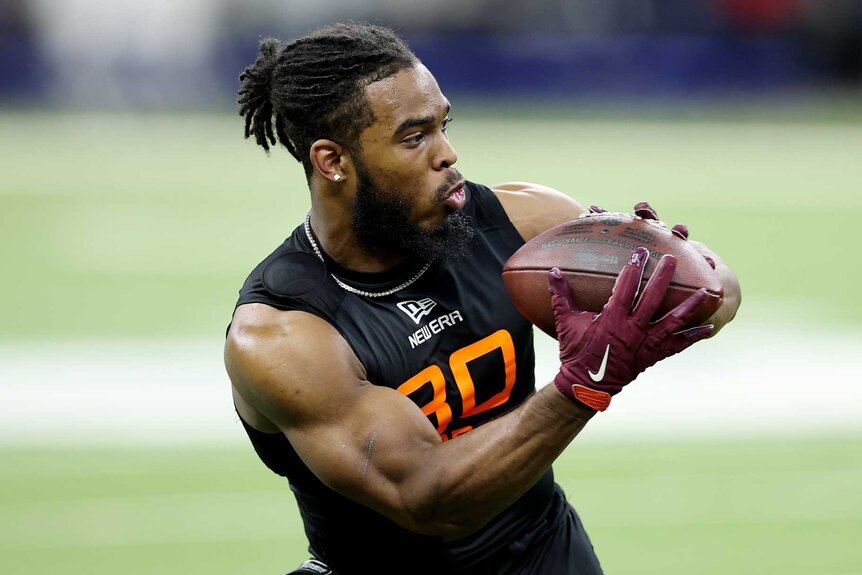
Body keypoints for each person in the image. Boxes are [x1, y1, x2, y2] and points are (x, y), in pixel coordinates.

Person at [225, 23, 740, 575]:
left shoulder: (518, 218)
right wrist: (580, 388)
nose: (448, 153)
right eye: (414, 136)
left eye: (444, 125)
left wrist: (664, 266)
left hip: (546, 553)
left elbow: (720, 292)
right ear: (332, 161)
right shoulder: (282, 333)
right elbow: (430, 499)